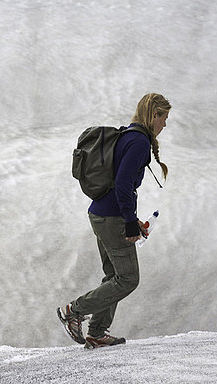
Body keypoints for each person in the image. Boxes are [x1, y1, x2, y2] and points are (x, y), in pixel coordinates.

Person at [58, 93, 171, 349]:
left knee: (113, 276)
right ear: (154, 115)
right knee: (128, 279)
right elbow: (122, 184)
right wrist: (129, 222)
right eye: (164, 118)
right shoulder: (139, 142)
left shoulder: (127, 136)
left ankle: (96, 333)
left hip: (100, 214)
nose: (165, 125)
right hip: (111, 217)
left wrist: (132, 219)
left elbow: (120, 185)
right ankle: (73, 311)